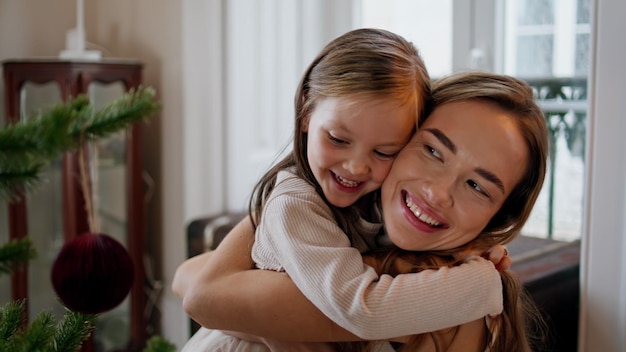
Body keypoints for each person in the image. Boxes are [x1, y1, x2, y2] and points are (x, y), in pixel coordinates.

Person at [174, 28, 508, 351]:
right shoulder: (295, 204)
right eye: (337, 139)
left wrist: (459, 254)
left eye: (384, 152)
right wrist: (481, 282)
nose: (356, 167)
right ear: (306, 111)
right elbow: (361, 309)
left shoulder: (368, 204)